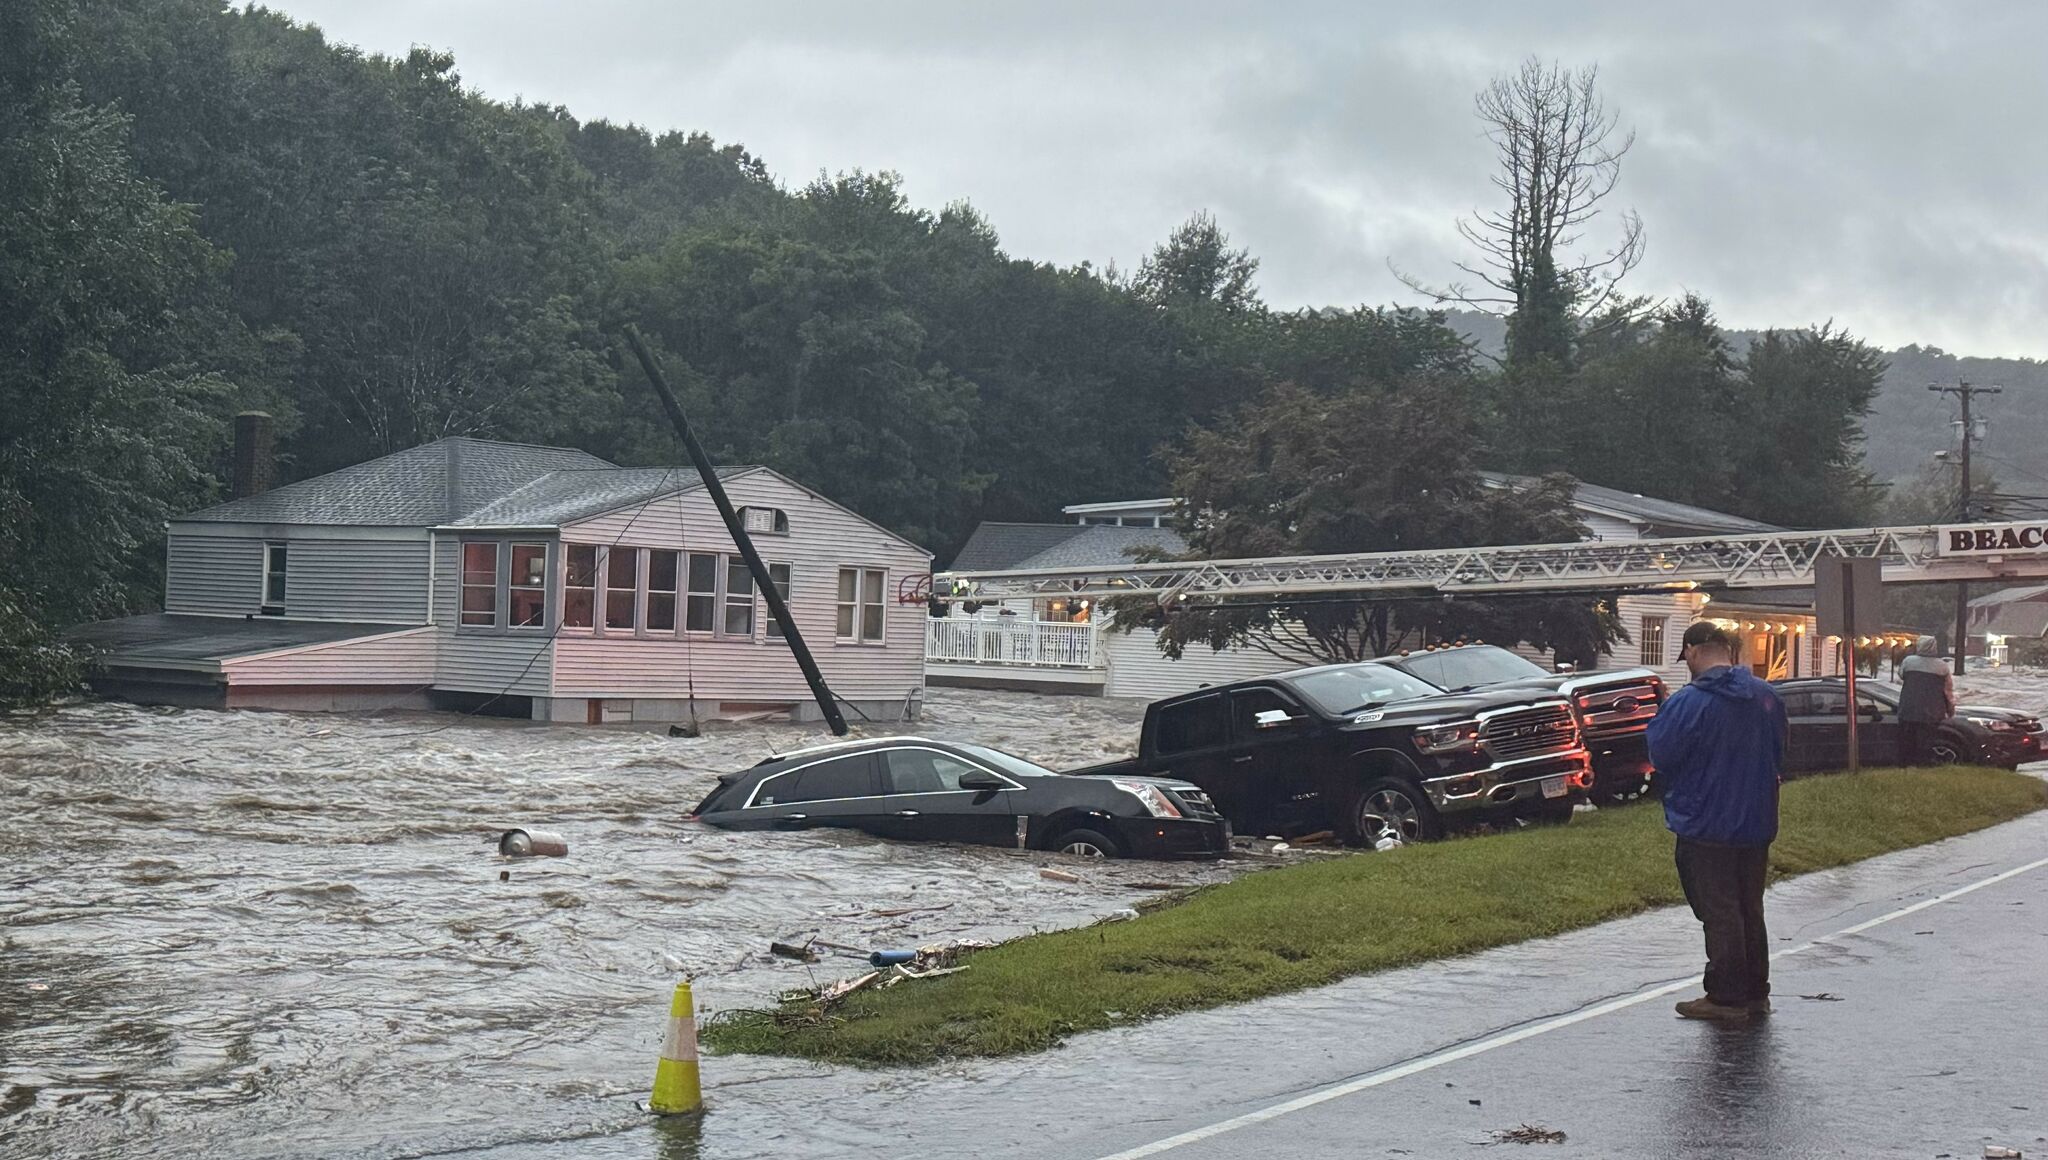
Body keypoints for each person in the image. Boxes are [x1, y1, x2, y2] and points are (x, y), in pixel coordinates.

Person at [1646, 621, 1788, 1023]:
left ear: (1692, 652)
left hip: (1705, 820)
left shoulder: (1687, 703)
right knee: (1749, 907)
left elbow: (1661, 755)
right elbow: (1780, 750)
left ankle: (1725, 996)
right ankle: (1755, 992)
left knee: (1720, 910)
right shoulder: (1766, 696)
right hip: (1756, 819)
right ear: (1729, 650)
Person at [1896, 637, 1956, 765]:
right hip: (1932, 713)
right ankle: (1924, 765)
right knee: (1926, 743)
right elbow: (1948, 691)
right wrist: (1951, 709)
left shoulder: (1908, 661)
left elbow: (1901, 675)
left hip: (1908, 710)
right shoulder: (1942, 666)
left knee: (1907, 742)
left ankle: (1905, 765)